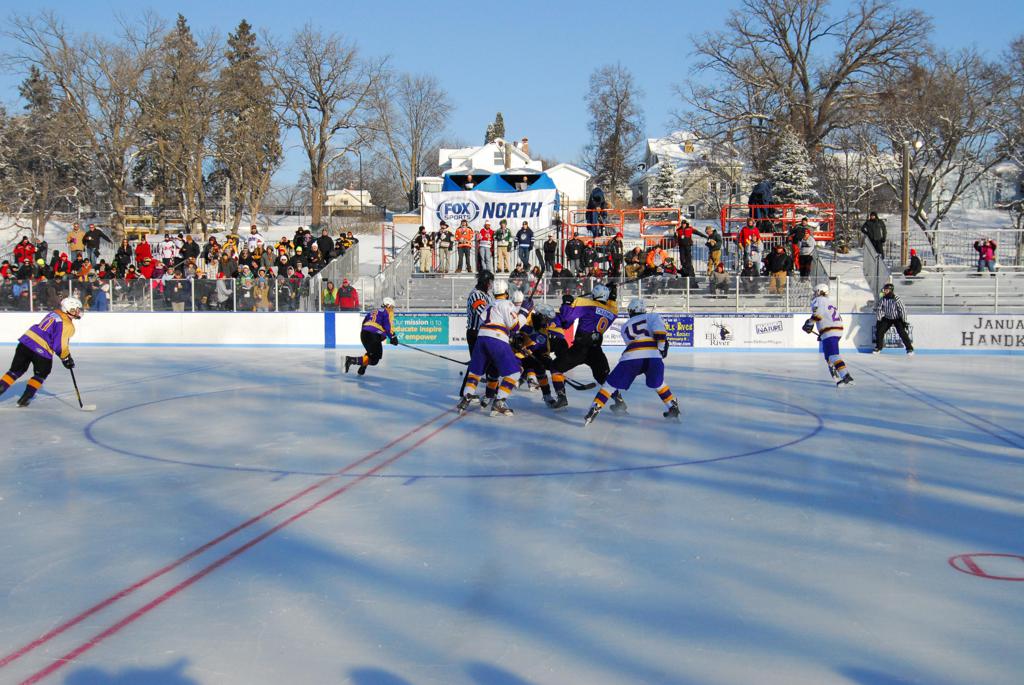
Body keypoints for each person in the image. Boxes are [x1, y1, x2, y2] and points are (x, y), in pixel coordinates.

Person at [584, 298, 679, 425]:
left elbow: (633, 343)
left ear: (631, 311)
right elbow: (660, 334)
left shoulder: (625, 326)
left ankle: (595, 407)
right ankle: (672, 406)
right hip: (653, 356)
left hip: (631, 357)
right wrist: (661, 349)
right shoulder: (652, 316)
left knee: (610, 385)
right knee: (658, 383)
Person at [549, 281, 621, 410]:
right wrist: (612, 297)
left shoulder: (588, 304)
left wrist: (566, 303)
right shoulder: (612, 311)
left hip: (580, 348)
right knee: (604, 377)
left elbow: (567, 317)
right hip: (596, 349)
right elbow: (612, 307)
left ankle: (561, 397)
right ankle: (619, 402)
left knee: (555, 367)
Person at [0, 297, 82, 407]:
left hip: (26, 342)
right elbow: (59, 345)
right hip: (42, 349)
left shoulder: (55, 313)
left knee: (15, 371)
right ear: (69, 309)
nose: (79, 312)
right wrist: (66, 358)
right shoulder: (67, 324)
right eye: (76, 309)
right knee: (42, 373)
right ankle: (25, 398)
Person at [456, 279, 520, 417]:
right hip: (497, 339)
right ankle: (499, 401)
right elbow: (515, 326)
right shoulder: (507, 304)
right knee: (514, 373)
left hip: (481, 338)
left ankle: (466, 397)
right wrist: (524, 312)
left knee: (475, 372)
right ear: (506, 292)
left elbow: (482, 321)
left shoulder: (488, 305)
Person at [802, 283, 854, 387]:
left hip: (830, 331)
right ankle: (838, 377)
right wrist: (822, 333)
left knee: (833, 356)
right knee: (829, 357)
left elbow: (818, 314)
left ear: (820, 291)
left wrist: (809, 323)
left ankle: (845, 376)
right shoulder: (829, 302)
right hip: (834, 331)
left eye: (815, 292)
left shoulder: (819, 300)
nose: (814, 294)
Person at [343, 297, 398, 376]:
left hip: (364, 333)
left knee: (371, 354)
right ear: (388, 305)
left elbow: (364, 323)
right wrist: (393, 337)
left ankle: (363, 367)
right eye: (392, 307)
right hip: (373, 335)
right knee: (375, 359)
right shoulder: (387, 312)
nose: (392, 309)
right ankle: (350, 360)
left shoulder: (373, 311)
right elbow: (388, 327)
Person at [872, 283, 914, 355]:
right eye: (884, 290)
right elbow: (880, 309)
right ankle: (878, 347)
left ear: (890, 290)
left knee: (902, 333)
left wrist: (904, 321)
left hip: (897, 318)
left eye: (886, 290)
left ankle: (909, 349)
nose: (884, 291)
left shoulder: (897, 299)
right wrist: (879, 320)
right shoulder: (883, 299)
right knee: (879, 332)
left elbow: (902, 310)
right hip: (887, 318)